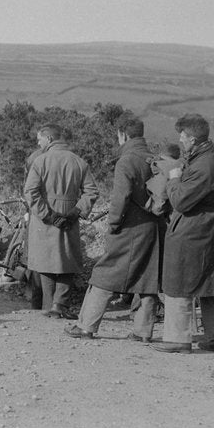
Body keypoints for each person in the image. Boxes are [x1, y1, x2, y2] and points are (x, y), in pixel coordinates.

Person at [65, 116, 163, 341]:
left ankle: (86, 326)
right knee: (148, 279)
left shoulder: (126, 161)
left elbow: (121, 198)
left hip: (129, 228)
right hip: (154, 228)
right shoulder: (153, 158)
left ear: (123, 135)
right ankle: (143, 332)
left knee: (104, 274)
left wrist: (114, 224)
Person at [150, 113, 214, 355]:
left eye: (184, 137)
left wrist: (174, 179)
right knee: (212, 284)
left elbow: (182, 201)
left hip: (192, 229)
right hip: (213, 229)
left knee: (178, 281)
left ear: (194, 139)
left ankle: (178, 339)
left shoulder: (204, 165)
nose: (181, 140)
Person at [23, 124, 99, 319]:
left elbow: (30, 191)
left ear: (48, 139)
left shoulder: (40, 161)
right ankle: (60, 305)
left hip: (44, 220)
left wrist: (48, 214)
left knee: (45, 262)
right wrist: (75, 212)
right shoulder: (79, 162)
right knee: (67, 262)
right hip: (69, 219)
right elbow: (91, 192)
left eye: (39, 139)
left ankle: (48, 306)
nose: (38, 143)